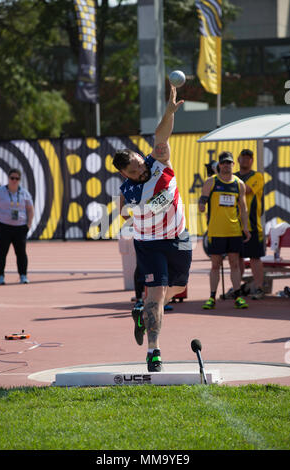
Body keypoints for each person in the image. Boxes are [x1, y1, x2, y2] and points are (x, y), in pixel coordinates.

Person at [113, 85, 192, 372]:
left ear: (138, 155)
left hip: (180, 236)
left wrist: (169, 111)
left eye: (137, 163)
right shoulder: (130, 189)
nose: (139, 170)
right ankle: (153, 351)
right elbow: (124, 212)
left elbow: (161, 135)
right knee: (157, 296)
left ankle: (142, 311)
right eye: (132, 171)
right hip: (150, 243)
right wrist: (132, 215)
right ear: (124, 175)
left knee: (181, 286)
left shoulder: (158, 161)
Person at [199, 151, 251, 309]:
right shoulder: (211, 182)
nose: (226, 165)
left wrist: (246, 228)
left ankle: (237, 297)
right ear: (219, 165)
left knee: (234, 264)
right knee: (216, 265)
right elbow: (202, 203)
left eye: (229, 162)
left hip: (234, 230)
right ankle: (212, 297)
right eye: (223, 163)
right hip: (216, 230)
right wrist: (202, 203)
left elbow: (243, 208)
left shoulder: (239, 184)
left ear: (232, 164)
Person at [0, 168, 34, 285]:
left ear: (20, 180)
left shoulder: (24, 193)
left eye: (17, 178)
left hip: (20, 227)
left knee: (21, 253)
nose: (14, 181)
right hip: (3, 227)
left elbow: (30, 209)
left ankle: (23, 276)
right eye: (12, 178)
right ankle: (0, 277)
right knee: (1, 252)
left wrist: (29, 224)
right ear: (8, 178)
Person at [235, 149, 265, 299]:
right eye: (243, 157)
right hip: (234, 225)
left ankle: (259, 288)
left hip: (252, 225)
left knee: (255, 258)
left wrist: (225, 179)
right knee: (237, 258)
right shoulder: (232, 177)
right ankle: (237, 288)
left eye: (248, 158)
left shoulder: (257, 176)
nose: (245, 160)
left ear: (252, 160)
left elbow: (246, 189)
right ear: (238, 159)